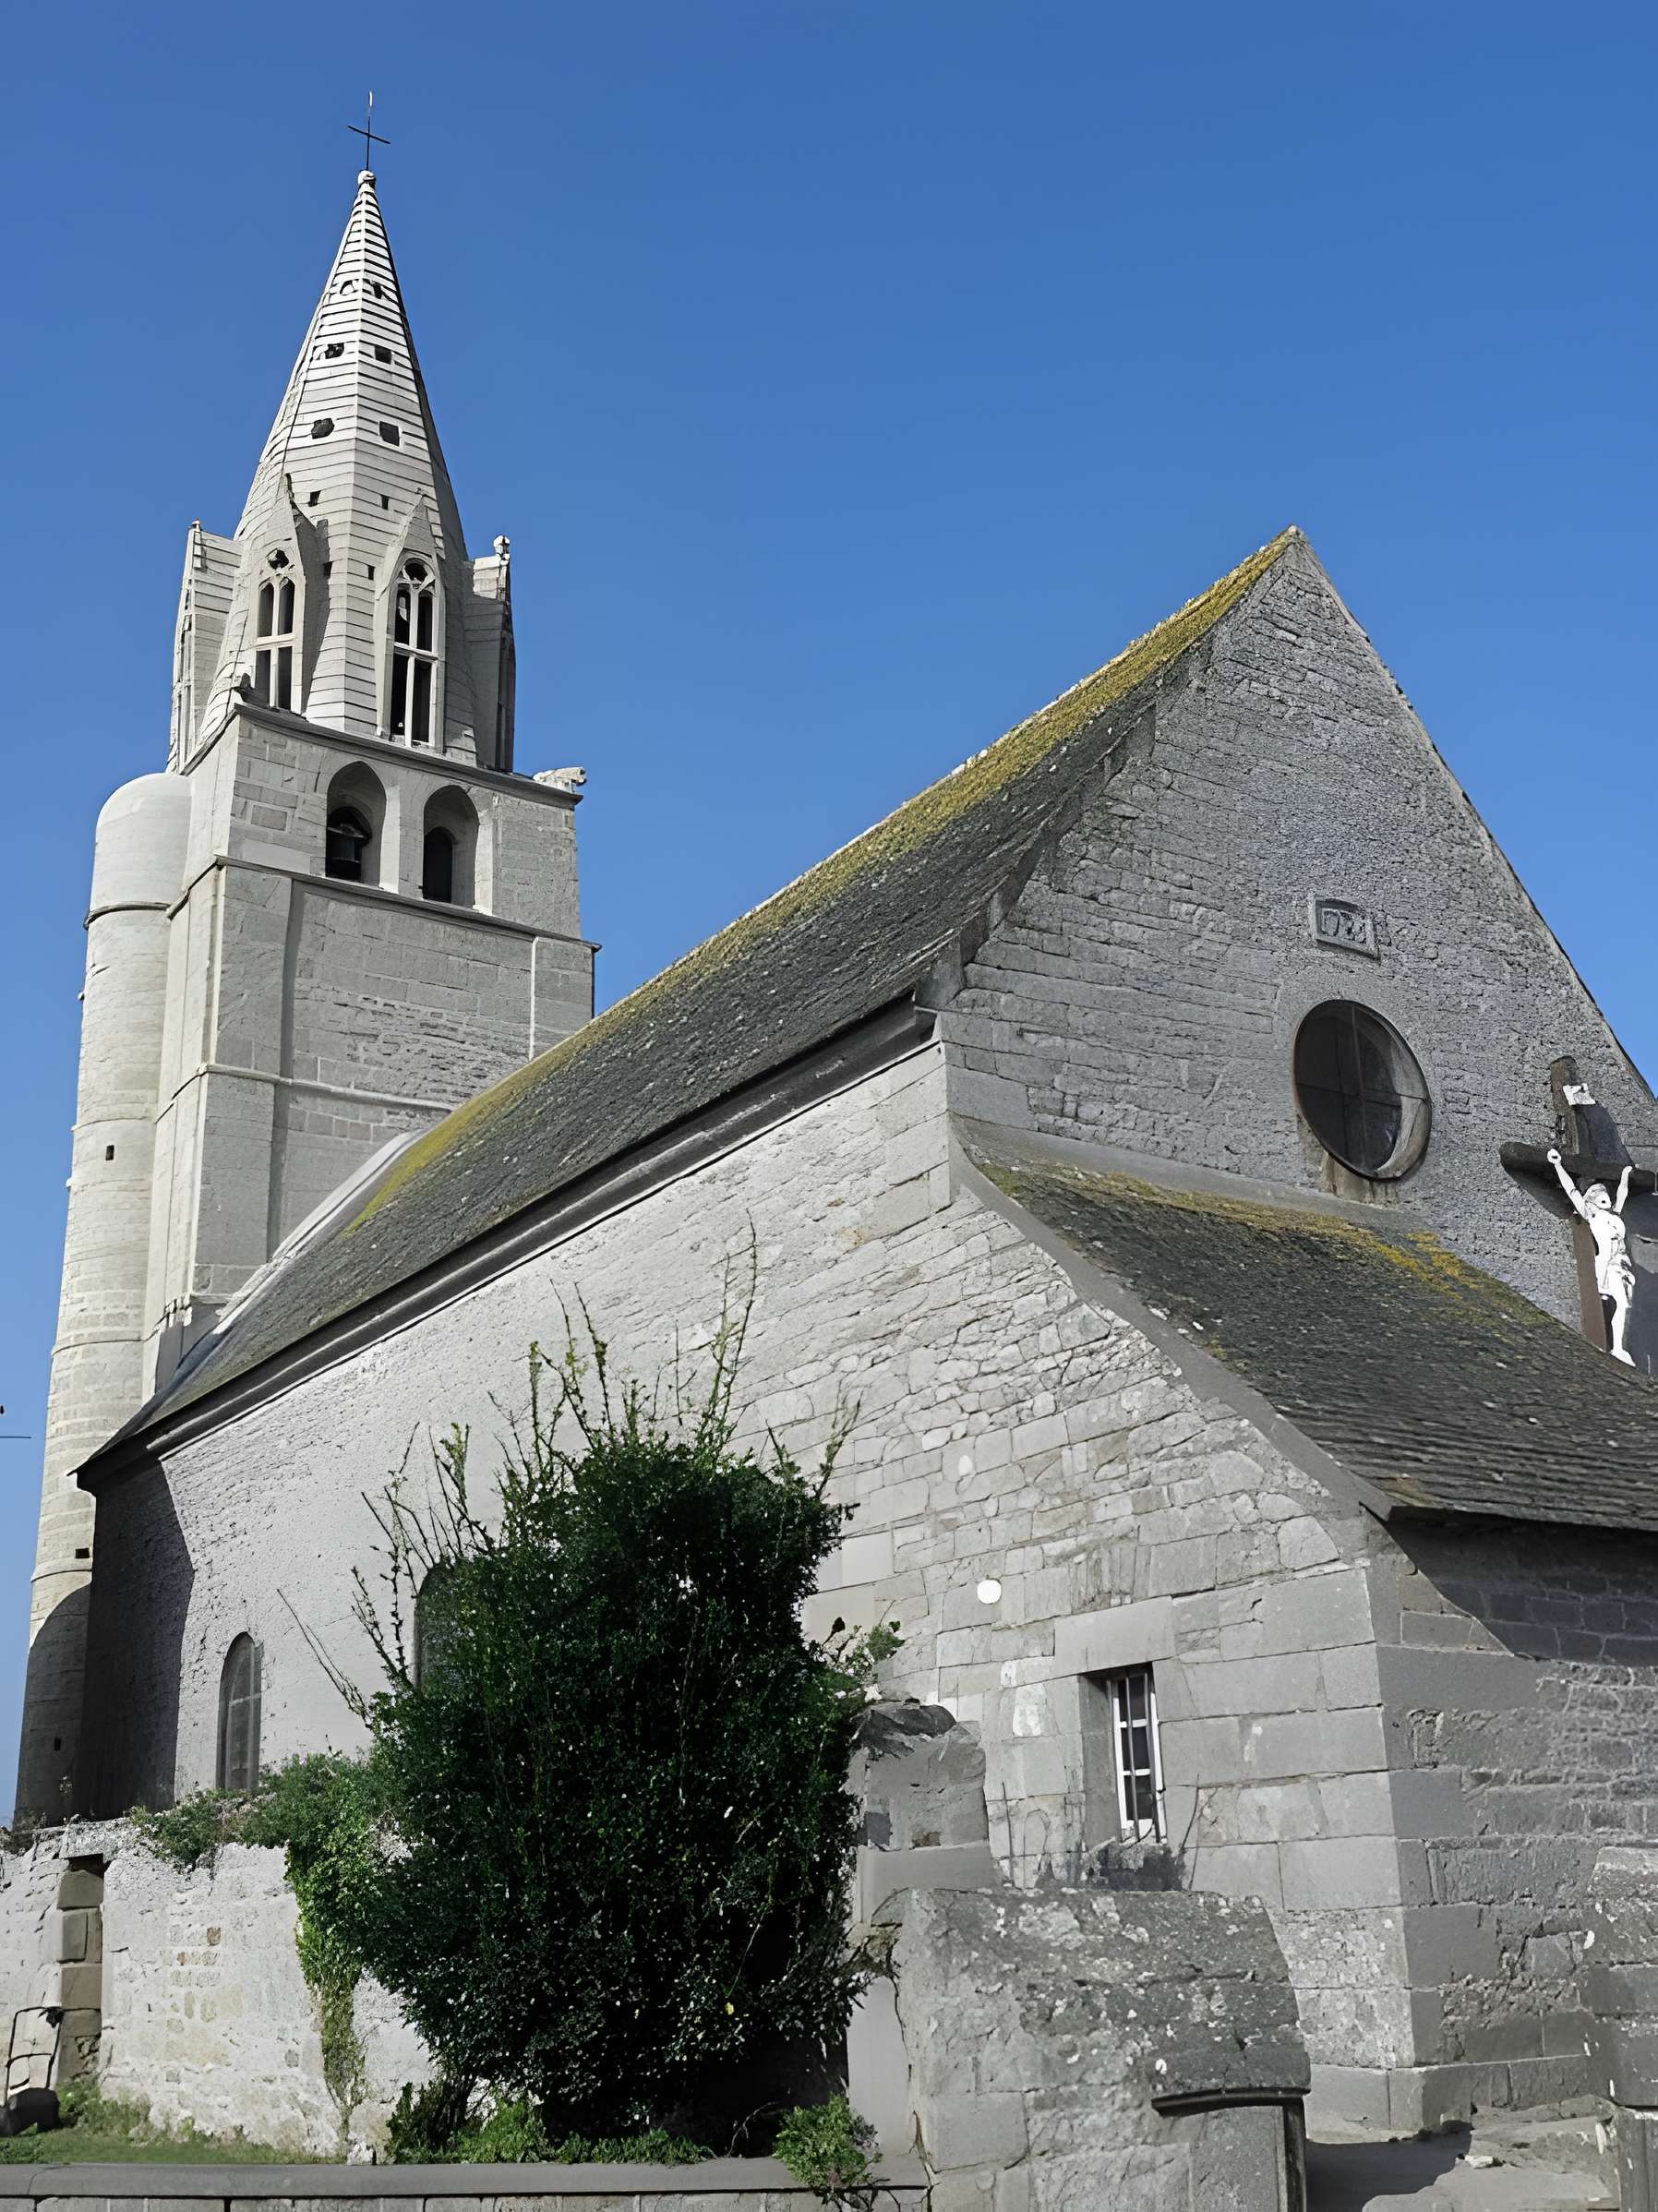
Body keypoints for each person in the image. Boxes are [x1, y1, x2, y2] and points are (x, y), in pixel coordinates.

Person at [1548, 1148, 1636, 1364]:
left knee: (1623, 1305)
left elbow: (1623, 1192)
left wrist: (1625, 1175)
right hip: (1604, 1264)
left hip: (1621, 1264)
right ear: (1594, 1199)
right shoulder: (1591, 1215)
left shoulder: (1615, 1213)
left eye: (1606, 1192)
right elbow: (1572, 1191)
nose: (1605, 1194)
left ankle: (1618, 1347)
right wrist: (1558, 1165)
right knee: (1605, 1301)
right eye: (1600, 1193)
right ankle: (1602, 1341)